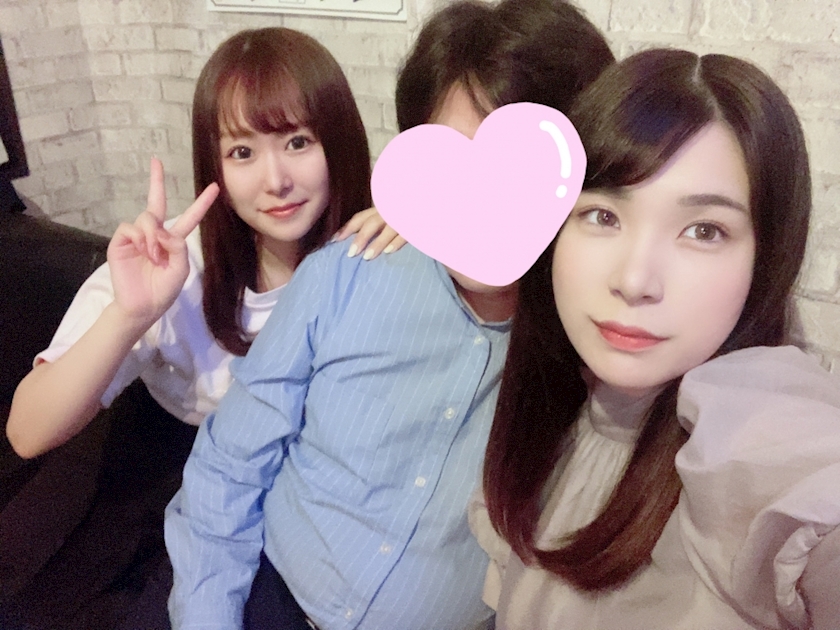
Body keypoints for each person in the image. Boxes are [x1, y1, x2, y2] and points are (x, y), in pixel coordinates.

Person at [165, 1, 615, 629]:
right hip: (271, 600)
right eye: (454, 164)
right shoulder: (347, 272)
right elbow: (227, 468)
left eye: (520, 171)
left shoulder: (597, 347)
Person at [2, 27, 401, 629]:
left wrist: (420, 230)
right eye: (242, 152)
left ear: (338, 141)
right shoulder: (173, 268)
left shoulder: (372, 257)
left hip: (303, 497)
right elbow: (27, 431)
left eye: (297, 141)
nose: (275, 180)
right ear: (213, 163)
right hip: (166, 476)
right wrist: (131, 314)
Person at [471, 48, 840, 629]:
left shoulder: (756, 442)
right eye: (602, 216)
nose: (634, 279)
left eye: (704, 230)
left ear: (765, 258)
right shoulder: (558, 405)